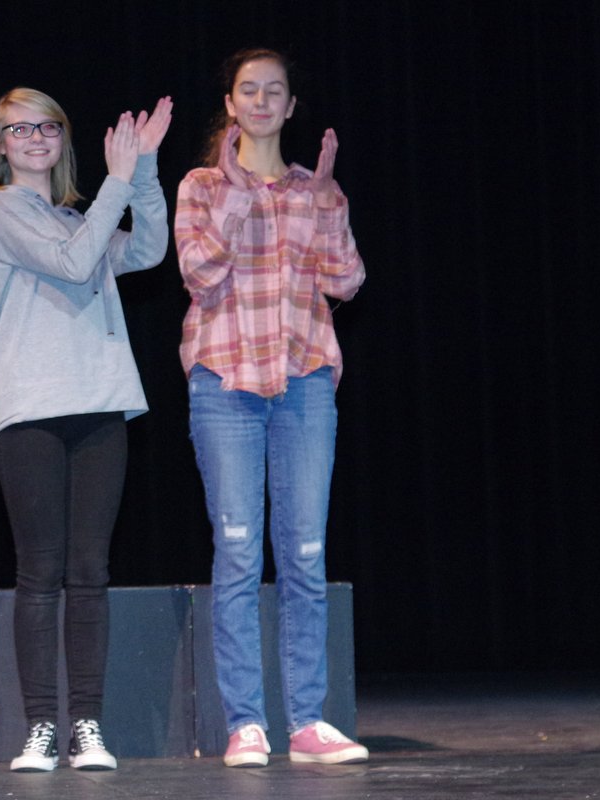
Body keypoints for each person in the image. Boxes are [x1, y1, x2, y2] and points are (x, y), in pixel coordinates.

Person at [174, 48, 368, 767]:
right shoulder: (200, 186)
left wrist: (325, 203)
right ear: (230, 104)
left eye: (273, 91)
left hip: (304, 382)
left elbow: (346, 280)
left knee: (306, 553)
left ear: (290, 107)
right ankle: (245, 723)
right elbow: (199, 271)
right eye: (248, 90)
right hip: (226, 384)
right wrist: (236, 192)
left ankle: (308, 721)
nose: (260, 101)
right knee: (236, 552)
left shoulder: (316, 189)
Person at [0, 88, 172, 772]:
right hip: (31, 407)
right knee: (40, 570)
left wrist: (143, 170)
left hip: (99, 402)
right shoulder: (2, 211)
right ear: (0, 147)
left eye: (48, 126)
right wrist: (118, 181)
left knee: (89, 571)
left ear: (63, 140)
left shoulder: (75, 217)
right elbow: (72, 263)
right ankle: (40, 727)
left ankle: (86, 723)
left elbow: (147, 249)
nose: (35, 137)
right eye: (19, 129)